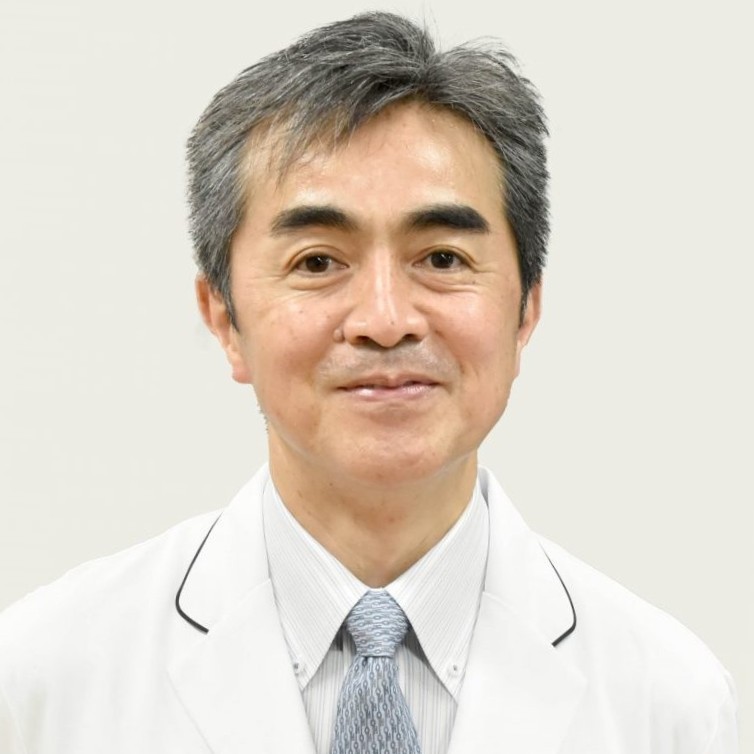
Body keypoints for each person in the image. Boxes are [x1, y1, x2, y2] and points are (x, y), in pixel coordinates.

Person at [0, 11, 738, 754]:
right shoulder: (42, 680)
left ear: (526, 310)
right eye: (318, 262)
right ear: (223, 317)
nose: (385, 321)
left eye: (443, 259)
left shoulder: (667, 703)